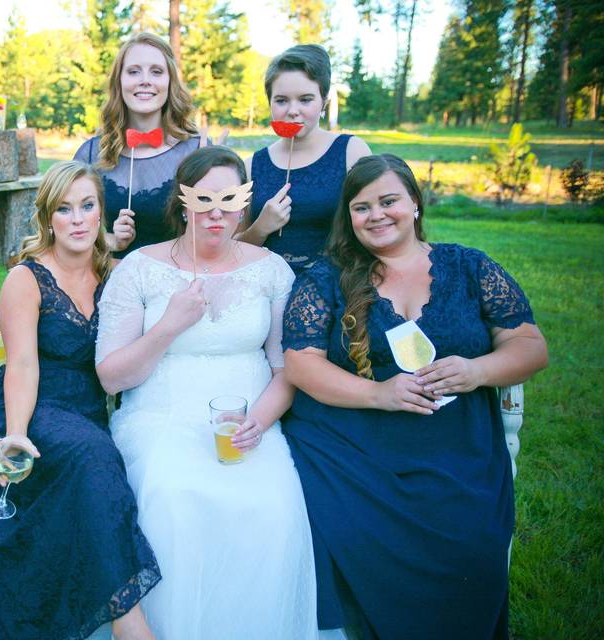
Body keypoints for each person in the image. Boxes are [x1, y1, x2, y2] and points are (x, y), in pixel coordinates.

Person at [280, 154, 549, 639]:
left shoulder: (468, 266)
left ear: (415, 204)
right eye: (362, 208)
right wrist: (378, 393)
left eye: (389, 201)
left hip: (455, 445)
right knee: (341, 529)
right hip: (352, 442)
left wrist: (476, 370)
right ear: (349, 218)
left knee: (473, 547)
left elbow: (530, 346)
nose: (377, 215)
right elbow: (301, 363)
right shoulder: (328, 277)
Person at [95, 146, 317, 639]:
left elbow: (288, 369)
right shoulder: (139, 268)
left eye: (229, 199)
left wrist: (260, 421)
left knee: (275, 507)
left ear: (246, 204)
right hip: (160, 418)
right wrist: (167, 327)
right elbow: (110, 377)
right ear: (183, 201)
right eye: (204, 199)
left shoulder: (272, 270)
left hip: (251, 423)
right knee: (173, 499)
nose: (217, 212)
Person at [0, 161, 160, 640]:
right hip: (25, 407)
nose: (77, 219)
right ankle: (129, 623)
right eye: (64, 209)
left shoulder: (118, 274)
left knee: (93, 457)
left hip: (84, 413)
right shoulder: (27, 280)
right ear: (48, 218)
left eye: (87, 206)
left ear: (101, 213)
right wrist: (14, 434)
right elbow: (22, 367)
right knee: (94, 455)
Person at [238, 44, 370, 274]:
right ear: (269, 102)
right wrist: (261, 227)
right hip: (266, 284)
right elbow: (232, 250)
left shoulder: (351, 151)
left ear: (323, 103)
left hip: (334, 283)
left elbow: (372, 226)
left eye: (305, 99)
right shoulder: (251, 166)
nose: (292, 110)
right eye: (281, 100)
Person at [74, 32, 203, 258]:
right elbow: (57, 224)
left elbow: (219, 232)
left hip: (178, 282)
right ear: (119, 81)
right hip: (110, 280)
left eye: (156, 71)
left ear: (170, 81)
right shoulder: (91, 154)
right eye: (134, 71)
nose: (145, 80)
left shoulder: (196, 150)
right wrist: (108, 240)